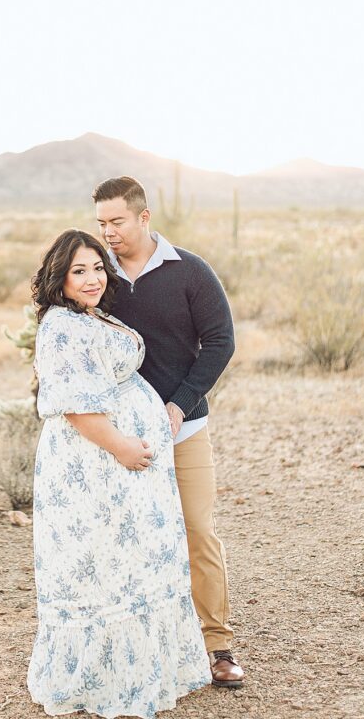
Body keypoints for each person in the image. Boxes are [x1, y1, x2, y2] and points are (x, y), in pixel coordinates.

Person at [26, 229, 211, 718]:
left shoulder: (91, 315)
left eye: (96, 268)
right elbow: (76, 408)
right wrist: (125, 447)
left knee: (135, 558)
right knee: (104, 562)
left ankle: (147, 669)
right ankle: (105, 679)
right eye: (78, 270)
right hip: (98, 462)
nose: (91, 279)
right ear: (58, 277)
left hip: (125, 464)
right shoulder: (61, 327)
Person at [92, 176, 244, 690]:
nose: (108, 232)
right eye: (101, 223)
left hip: (184, 429)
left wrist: (179, 404)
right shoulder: (95, 276)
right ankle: (137, 647)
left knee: (197, 530)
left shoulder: (189, 271)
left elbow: (220, 340)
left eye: (116, 221)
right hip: (118, 438)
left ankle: (217, 645)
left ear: (143, 217)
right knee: (126, 539)